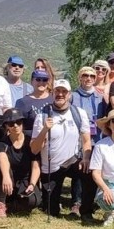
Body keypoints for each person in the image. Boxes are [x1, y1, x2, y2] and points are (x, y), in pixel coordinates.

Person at [32, 79, 92, 217]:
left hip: (72, 161)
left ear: (69, 94)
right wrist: (44, 130)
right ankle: (53, 204)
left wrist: (86, 158)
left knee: (89, 173)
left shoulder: (79, 113)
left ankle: (85, 210)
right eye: (57, 91)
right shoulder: (42, 115)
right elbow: (34, 149)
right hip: (51, 168)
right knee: (51, 211)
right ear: (52, 93)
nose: (60, 94)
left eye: (64, 91)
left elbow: (87, 140)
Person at [69, 65, 107, 219]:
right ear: (80, 77)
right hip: (78, 139)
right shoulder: (72, 96)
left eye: (92, 76)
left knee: (94, 170)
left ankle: (90, 202)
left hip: (97, 138)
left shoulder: (100, 97)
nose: (89, 78)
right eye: (85, 75)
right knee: (79, 170)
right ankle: (76, 202)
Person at [0, 108, 41, 217]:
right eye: (11, 123)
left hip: (24, 180)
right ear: (6, 126)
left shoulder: (31, 141)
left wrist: (32, 184)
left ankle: (13, 205)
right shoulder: (2, 142)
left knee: (34, 201)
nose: (15, 126)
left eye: (18, 122)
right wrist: (6, 176)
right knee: (2, 169)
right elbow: (3, 158)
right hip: (6, 180)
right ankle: (0, 204)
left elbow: (36, 166)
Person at [14, 69, 53, 136]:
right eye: (38, 79)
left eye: (44, 80)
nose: (41, 82)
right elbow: (17, 125)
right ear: (32, 81)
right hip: (30, 141)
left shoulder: (53, 100)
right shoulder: (22, 102)